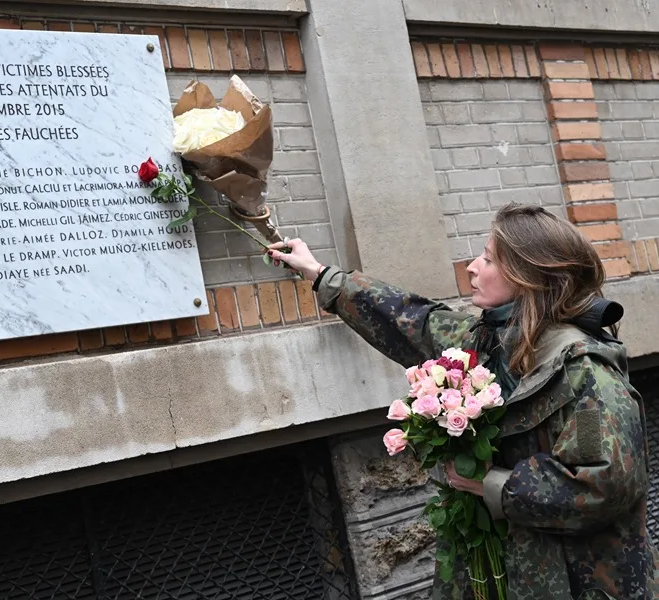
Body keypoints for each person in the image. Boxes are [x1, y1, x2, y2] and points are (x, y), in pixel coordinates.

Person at [267, 203, 658, 599]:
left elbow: (603, 486)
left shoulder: (586, 374)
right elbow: (410, 319)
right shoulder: (486, 338)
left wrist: (491, 483)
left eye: (488, 259)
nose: (472, 267)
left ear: (528, 275)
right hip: (497, 572)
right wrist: (319, 275)